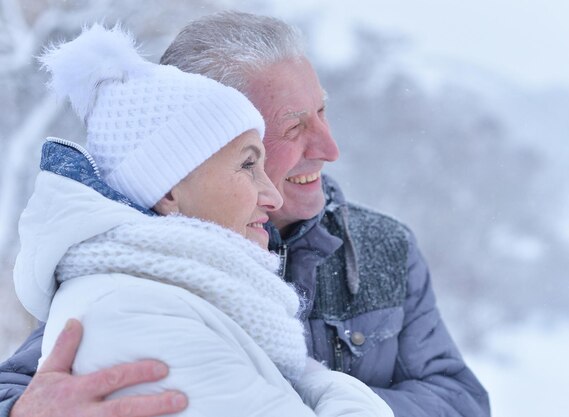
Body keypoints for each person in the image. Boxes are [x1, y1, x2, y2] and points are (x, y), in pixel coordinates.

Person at [0, 11, 490, 417]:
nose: (329, 147)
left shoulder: (381, 244)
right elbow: (31, 381)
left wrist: (297, 396)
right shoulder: (141, 261)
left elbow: (460, 399)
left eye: (322, 113)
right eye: (292, 126)